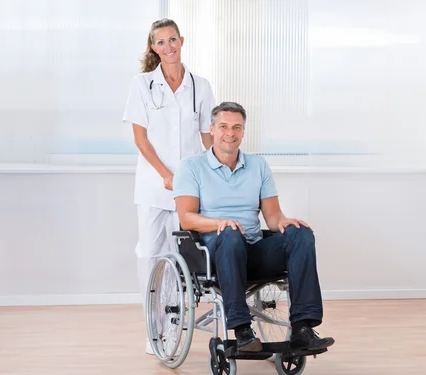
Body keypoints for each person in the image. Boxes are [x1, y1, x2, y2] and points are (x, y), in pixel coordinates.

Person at [173, 102, 334, 352]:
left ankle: (302, 328)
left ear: (243, 132)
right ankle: (242, 329)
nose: (230, 133)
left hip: (252, 250)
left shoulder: (258, 166)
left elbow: (273, 218)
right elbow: (186, 218)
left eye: (237, 127)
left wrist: (286, 222)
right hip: (215, 253)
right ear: (212, 129)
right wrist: (220, 223)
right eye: (224, 126)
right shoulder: (191, 167)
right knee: (230, 233)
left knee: (301, 234)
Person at [123, 18, 216, 354]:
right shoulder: (142, 84)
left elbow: (207, 135)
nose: (168, 47)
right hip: (153, 184)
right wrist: (163, 172)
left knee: (184, 257)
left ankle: (176, 324)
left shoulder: (201, 86)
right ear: (153, 47)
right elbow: (140, 137)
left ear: (182, 40)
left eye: (172, 40)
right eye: (160, 42)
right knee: (150, 254)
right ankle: (154, 328)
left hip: (189, 186)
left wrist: (220, 166)